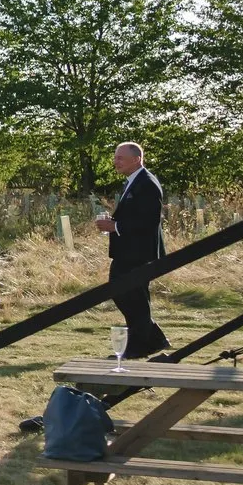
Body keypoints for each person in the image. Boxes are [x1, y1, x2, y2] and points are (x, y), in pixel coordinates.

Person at [95, 141, 168, 358]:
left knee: (129, 295)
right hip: (129, 252)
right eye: (115, 157)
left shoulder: (147, 184)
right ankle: (151, 340)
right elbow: (135, 215)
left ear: (136, 159)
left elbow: (149, 221)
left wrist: (115, 226)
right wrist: (114, 222)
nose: (115, 162)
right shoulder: (133, 182)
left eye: (120, 158)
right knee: (128, 295)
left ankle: (142, 344)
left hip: (138, 253)